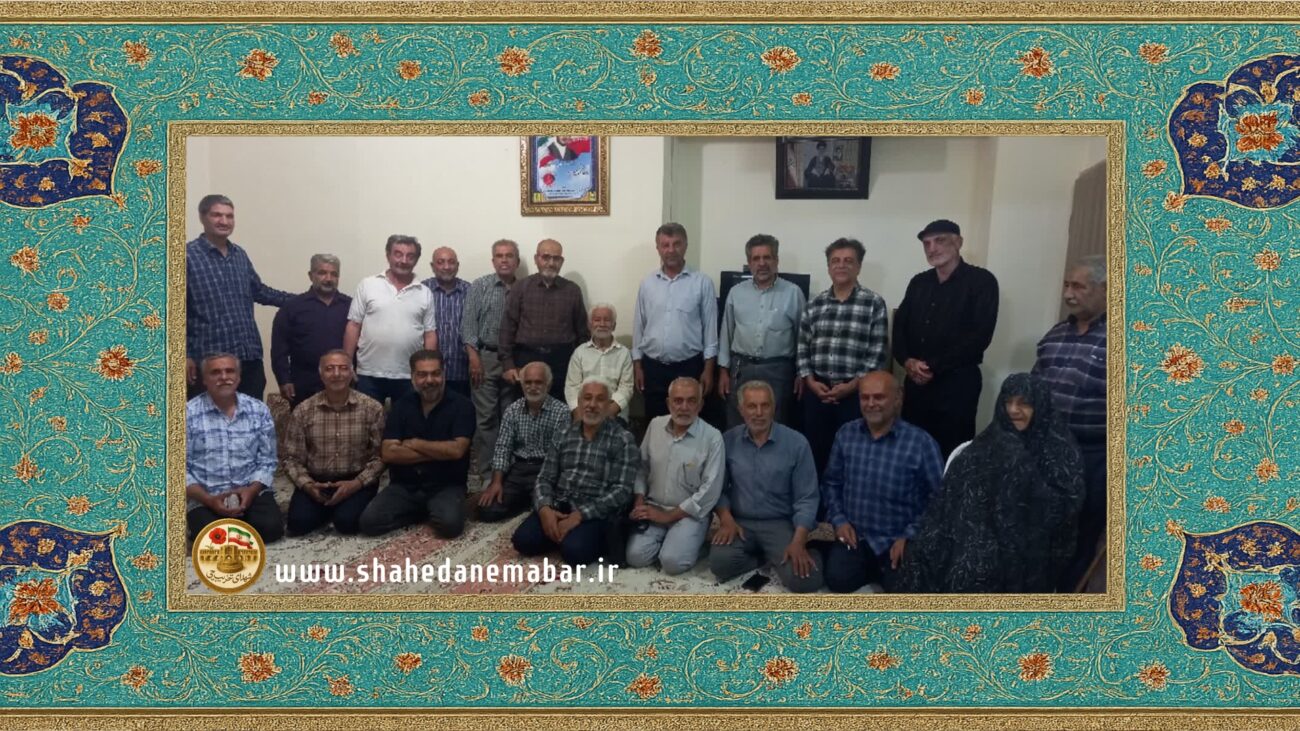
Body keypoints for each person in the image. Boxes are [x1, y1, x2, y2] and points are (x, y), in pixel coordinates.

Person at [896, 373, 1086, 593]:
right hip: (969, 531)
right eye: (1008, 402)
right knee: (925, 555)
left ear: (1040, 406)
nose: (1013, 410)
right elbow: (951, 496)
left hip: (1025, 542)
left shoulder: (1059, 451)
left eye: (1024, 404)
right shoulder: (987, 441)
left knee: (977, 571)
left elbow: (1063, 509)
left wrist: (1020, 470)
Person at [821, 371, 943, 593]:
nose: (871, 404)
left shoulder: (921, 444)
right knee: (838, 581)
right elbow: (831, 483)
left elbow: (939, 500)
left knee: (904, 592)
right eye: (865, 397)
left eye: (879, 397)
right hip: (856, 536)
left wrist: (910, 535)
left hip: (897, 539)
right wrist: (839, 521)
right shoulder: (846, 434)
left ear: (898, 398)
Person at [892, 220, 999, 459]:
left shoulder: (982, 281)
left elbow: (980, 336)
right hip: (917, 383)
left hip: (957, 385)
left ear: (958, 242)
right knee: (912, 451)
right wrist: (907, 361)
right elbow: (899, 328)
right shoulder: (918, 283)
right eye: (926, 243)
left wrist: (931, 366)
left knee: (951, 452)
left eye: (939, 240)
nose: (932, 248)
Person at [1032, 255, 1108, 590]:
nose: (1068, 294)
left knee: (1080, 535)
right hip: (1049, 448)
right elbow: (1034, 388)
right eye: (1066, 285)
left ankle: (1067, 601)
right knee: (1043, 528)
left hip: (1093, 455)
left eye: (1078, 286)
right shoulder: (1056, 334)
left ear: (1105, 290)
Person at [511, 378, 639, 566]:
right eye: (587, 398)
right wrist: (545, 509)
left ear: (608, 405)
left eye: (600, 399)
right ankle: (563, 534)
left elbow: (622, 491)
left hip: (594, 511)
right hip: (560, 504)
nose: (592, 405)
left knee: (574, 553)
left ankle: (575, 537)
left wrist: (579, 516)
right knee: (523, 541)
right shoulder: (564, 432)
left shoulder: (623, 439)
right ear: (579, 402)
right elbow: (545, 477)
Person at [711, 380, 823, 593]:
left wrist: (799, 541)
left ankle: (814, 550)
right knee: (720, 564)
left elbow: (807, 498)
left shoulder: (797, 443)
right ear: (741, 410)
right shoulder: (727, 440)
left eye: (765, 405)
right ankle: (765, 558)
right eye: (752, 406)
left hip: (779, 522)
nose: (759, 413)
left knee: (804, 580)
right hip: (740, 523)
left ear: (774, 407)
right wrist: (726, 520)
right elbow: (719, 488)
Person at [185, 194, 293, 400]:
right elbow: (172, 311)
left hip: (248, 358)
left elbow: (260, 291)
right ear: (202, 217)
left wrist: (302, 299)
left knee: (251, 414)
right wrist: (184, 354)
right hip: (209, 362)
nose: (224, 221)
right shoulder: (187, 256)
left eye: (229, 216)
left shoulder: (239, 255)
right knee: (209, 417)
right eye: (217, 215)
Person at [796, 237, 889, 475]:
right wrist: (810, 381)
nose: (841, 265)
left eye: (848, 260)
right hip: (817, 391)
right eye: (835, 261)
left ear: (858, 266)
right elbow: (803, 346)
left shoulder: (873, 303)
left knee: (853, 453)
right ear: (828, 267)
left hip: (856, 394)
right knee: (816, 452)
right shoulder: (814, 304)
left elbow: (877, 352)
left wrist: (852, 386)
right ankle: (819, 498)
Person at [358, 350, 475, 539]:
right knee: (369, 523)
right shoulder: (401, 406)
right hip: (405, 485)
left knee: (450, 526)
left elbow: (457, 450)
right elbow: (388, 453)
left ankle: (427, 510)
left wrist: (414, 443)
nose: (429, 380)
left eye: (435, 373)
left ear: (443, 374)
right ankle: (423, 511)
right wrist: (440, 451)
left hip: (446, 484)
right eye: (422, 374)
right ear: (412, 376)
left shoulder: (463, 406)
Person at [626, 378, 725, 575]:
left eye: (691, 401)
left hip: (689, 514)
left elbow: (710, 491)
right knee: (635, 557)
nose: (684, 407)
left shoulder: (713, 437)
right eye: (678, 401)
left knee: (672, 563)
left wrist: (669, 516)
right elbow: (641, 467)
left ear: (700, 405)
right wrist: (639, 499)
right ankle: (675, 541)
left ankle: (686, 543)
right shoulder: (655, 425)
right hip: (654, 508)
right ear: (668, 403)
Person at [281, 351, 385, 536]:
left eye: (343, 368)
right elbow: (291, 458)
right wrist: (308, 486)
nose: (337, 374)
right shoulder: (303, 410)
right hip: (317, 481)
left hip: (356, 480)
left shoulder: (372, 408)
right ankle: (328, 508)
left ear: (352, 373)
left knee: (347, 523)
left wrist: (356, 484)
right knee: (298, 524)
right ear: (321, 374)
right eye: (330, 369)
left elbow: (380, 456)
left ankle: (337, 510)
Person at [184, 353, 284, 547]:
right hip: (207, 495)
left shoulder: (258, 410)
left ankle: (237, 523)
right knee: (212, 539)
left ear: (238, 377)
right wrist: (209, 500)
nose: (224, 377)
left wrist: (251, 491)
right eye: (215, 372)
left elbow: (268, 460)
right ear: (204, 379)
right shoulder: (187, 414)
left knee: (271, 529)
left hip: (250, 491)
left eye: (229, 371)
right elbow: (178, 469)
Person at [633, 222, 719, 423]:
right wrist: (638, 366)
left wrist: (708, 370)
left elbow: (710, 331)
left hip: (689, 367)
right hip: (653, 369)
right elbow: (639, 327)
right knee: (655, 424)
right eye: (665, 245)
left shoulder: (702, 283)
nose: (671, 250)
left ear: (686, 245)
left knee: (689, 423)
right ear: (658, 248)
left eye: (676, 244)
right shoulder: (647, 284)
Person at [717, 234, 805, 429]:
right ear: (749, 263)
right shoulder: (736, 293)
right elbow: (726, 333)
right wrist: (723, 372)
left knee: (776, 426)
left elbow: (803, 339)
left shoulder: (793, 293)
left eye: (767, 257)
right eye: (756, 258)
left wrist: (801, 373)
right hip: (742, 369)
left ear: (776, 260)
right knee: (737, 425)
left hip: (778, 371)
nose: (762, 263)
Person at [343, 234, 438, 406]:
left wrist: (427, 370)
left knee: (407, 421)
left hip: (409, 374)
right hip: (369, 373)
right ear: (388, 255)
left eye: (410, 256)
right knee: (368, 420)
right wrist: (346, 364)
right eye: (398, 254)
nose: (404, 260)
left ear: (416, 260)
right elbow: (353, 325)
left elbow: (429, 334)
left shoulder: (424, 292)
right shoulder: (368, 285)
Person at [462, 239, 521, 488]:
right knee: (485, 418)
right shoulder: (480, 286)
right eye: (499, 255)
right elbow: (468, 325)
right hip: (484, 357)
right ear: (493, 260)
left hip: (514, 360)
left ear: (517, 261)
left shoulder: (524, 288)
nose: (504, 260)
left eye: (509, 255)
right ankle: (487, 473)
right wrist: (473, 358)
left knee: (510, 416)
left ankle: (506, 471)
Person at [499, 238, 589, 402]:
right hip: (526, 358)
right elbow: (508, 327)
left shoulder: (572, 290)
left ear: (561, 261)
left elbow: (582, 333)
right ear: (536, 259)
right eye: (546, 257)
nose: (551, 263)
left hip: (562, 362)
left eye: (556, 258)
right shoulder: (521, 288)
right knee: (526, 408)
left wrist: (581, 366)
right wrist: (508, 364)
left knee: (560, 407)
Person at [479, 362, 569, 523]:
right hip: (519, 469)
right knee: (487, 511)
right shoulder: (512, 410)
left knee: (553, 511)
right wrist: (496, 482)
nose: (533, 387)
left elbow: (560, 456)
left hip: (545, 470)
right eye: (528, 382)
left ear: (548, 385)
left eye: (538, 382)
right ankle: (525, 499)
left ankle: (530, 499)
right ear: (521, 384)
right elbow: (503, 448)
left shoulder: (561, 412)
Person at [271, 254, 352, 409]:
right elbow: (279, 348)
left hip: (342, 381)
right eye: (322, 273)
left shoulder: (350, 306)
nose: (328, 278)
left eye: (334, 274)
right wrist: (283, 379)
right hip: (303, 383)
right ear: (310, 275)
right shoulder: (292, 307)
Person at [564, 303, 634, 420]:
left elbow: (626, 387)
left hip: (614, 415)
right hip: (584, 413)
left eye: (607, 320)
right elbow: (572, 386)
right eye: (597, 320)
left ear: (614, 326)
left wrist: (609, 412)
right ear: (589, 325)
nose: (602, 324)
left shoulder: (624, 353)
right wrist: (578, 413)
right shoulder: (579, 352)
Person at [421, 246, 471, 397]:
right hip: (428, 372)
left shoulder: (470, 290)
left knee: (460, 409)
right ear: (432, 266)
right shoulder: (421, 290)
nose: (446, 267)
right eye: (440, 262)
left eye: (451, 262)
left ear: (457, 265)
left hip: (461, 370)